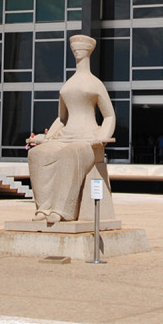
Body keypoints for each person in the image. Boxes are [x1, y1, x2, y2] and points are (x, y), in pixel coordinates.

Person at [25, 35, 115, 223]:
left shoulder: (95, 83)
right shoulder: (68, 84)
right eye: (74, 48)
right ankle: (44, 208)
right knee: (37, 155)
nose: (77, 51)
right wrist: (49, 137)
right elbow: (62, 118)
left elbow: (109, 116)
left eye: (80, 48)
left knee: (69, 154)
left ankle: (62, 209)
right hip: (65, 137)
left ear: (89, 51)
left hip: (87, 140)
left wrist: (103, 136)